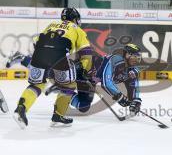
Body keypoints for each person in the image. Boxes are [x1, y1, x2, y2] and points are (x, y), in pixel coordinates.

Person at [9, 43, 142, 120]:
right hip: (81, 70)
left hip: (89, 80)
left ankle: (62, 89)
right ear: (127, 55)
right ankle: (22, 58)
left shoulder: (132, 68)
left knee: (83, 107)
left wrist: (136, 101)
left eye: (138, 57)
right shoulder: (115, 60)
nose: (136, 60)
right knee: (47, 72)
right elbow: (107, 84)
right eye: (135, 57)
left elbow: (134, 84)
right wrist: (120, 98)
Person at [13, 7, 93, 129]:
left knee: (36, 85)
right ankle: (58, 115)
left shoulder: (51, 24)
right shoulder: (77, 29)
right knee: (68, 86)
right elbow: (86, 52)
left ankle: (21, 108)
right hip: (59, 57)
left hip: (39, 55)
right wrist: (84, 69)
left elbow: (36, 42)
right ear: (75, 19)